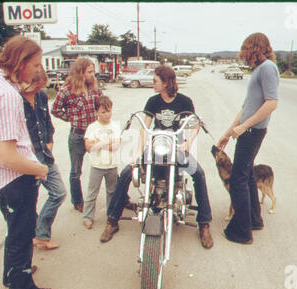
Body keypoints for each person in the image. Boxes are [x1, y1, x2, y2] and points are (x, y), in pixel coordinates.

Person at [0, 35, 54, 289]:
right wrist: (40, 169)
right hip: (15, 179)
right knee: (21, 237)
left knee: (14, 230)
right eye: (35, 64)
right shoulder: (8, 96)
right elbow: (8, 156)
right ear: (20, 62)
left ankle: (12, 273)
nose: (37, 70)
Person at [100, 65, 214, 249]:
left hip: (176, 147)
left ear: (167, 83)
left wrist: (188, 143)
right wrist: (138, 153)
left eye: (155, 81)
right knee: (126, 173)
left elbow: (195, 124)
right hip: (156, 146)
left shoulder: (184, 101)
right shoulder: (152, 101)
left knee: (199, 174)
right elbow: (145, 128)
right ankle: (112, 220)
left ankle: (204, 224)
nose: (152, 83)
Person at [216, 32, 279, 244]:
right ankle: (254, 220)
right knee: (248, 176)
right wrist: (228, 132)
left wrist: (244, 127)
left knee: (238, 179)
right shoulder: (259, 70)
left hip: (252, 132)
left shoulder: (268, 68)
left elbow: (271, 103)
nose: (243, 55)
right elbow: (246, 107)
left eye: (246, 50)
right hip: (249, 131)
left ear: (255, 48)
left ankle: (241, 231)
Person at [20, 67, 66, 250]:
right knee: (28, 203)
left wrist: (49, 143)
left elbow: (47, 123)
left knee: (59, 192)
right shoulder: (14, 100)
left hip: (44, 154)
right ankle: (31, 241)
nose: (38, 90)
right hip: (26, 159)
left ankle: (40, 233)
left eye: (41, 87)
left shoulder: (41, 97)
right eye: (35, 87)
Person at [51, 58, 102, 213]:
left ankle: (118, 196)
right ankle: (78, 201)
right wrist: (70, 118)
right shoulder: (67, 90)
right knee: (75, 171)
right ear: (80, 73)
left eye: (93, 71)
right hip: (77, 136)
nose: (93, 75)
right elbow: (56, 109)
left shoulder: (94, 89)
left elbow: (102, 104)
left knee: (105, 165)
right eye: (89, 72)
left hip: (94, 135)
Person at [82, 96, 121, 229]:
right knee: (92, 193)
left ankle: (110, 216)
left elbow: (116, 146)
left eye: (109, 111)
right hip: (97, 165)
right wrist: (107, 142)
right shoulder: (92, 127)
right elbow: (89, 147)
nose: (107, 114)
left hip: (112, 165)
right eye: (103, 112)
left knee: (112, 192)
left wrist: (98, 142)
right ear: (96, 112)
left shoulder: (115, 126)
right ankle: (87, 217)